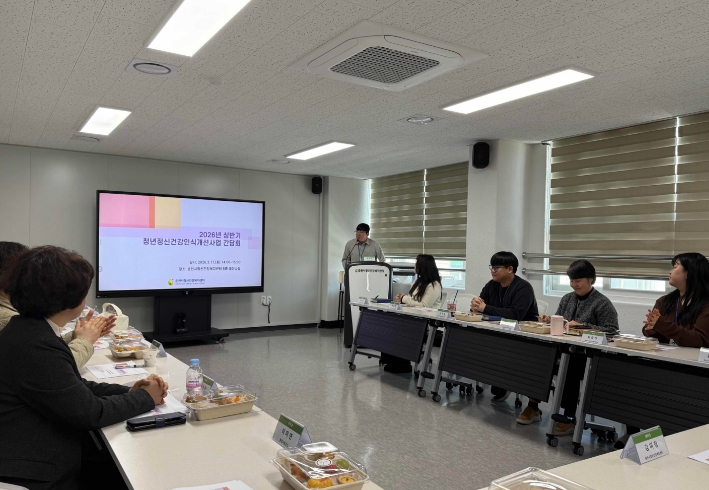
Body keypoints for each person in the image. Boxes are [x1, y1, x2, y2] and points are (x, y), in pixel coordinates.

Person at [0, 246, 167, 490]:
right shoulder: (35, 344)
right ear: (72, 299)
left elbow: (71, 386)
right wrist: (145, 398)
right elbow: (90, 413)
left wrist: (130, 391)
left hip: (32, 448)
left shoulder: (28, 329)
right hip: (35, 470)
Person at [0, 241, 114, 369]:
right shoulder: (9, 319)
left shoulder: (18, 320)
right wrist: (85, 340)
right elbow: (52, 364)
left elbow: (44, 349)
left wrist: (76, 335)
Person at [536, 259, 619, 432]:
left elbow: (612, 330)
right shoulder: (567, 298)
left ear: (591, 279)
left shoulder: (602, 302)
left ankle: (569, 415)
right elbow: (560, 320)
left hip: (588, 355)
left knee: (571, 365)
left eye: (578, 281)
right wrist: (549, 320)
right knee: (541, 357)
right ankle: (534, 405)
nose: (574, 285)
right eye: (572, 281)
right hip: (565, 348)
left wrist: (583, 327)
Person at [470, 251, 539, 408]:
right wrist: (475, 306)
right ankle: (498, 379)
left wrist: (485, 308)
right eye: (492, 267)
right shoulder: (492, 285)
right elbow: (480, 306)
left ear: (510, 269)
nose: (493, 270)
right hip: (498, 331)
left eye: (497, 267)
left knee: (499, 348)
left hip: (523, 336)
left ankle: (503, 380)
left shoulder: (523, 288)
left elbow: (515, 315)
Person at [382, 255, 443, 374]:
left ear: (423, 266)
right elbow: (412, 300)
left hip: (426, 322)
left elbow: (424, 305)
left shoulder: (434, 285)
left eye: (417, 263)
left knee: (398, 329)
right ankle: (392, 362)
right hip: (412, 318)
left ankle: (402, 364)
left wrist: (404, 299)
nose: (415, 266)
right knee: (390, 325)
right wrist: (402, 299)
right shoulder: (417, 281)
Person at [643, 252, 709, 347]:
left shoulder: (705, 305)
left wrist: (662, 325)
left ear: (689, 273)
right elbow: (652, 335)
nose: (670, 272)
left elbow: (700, 340)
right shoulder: (664, 301)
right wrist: (651, 327)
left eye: (675, 267)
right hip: (666, 354)